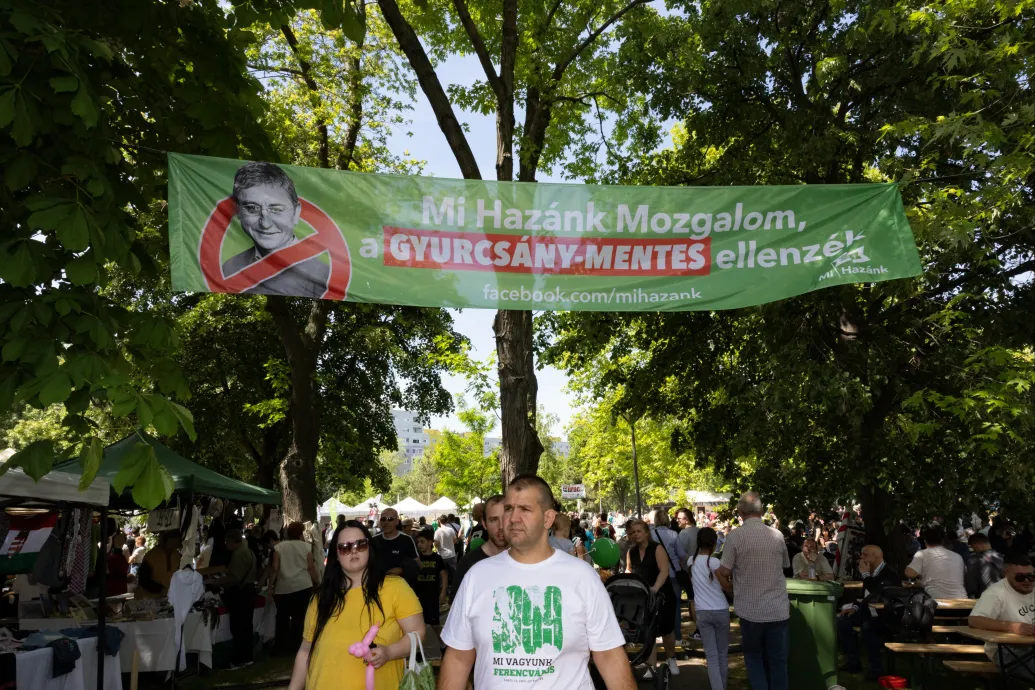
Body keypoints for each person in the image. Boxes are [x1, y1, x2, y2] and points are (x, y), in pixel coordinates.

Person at [439, 475, 636, 690]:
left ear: (548, 518)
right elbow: (458, 658)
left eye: (524, 509)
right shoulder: (476, 576)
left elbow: (609, 656)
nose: (513, 518)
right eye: (508, 509)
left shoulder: (582, 577)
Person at [287, 520, 425, 690]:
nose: (353, 550)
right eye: (345, 547)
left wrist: (390, 652)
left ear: (370, 549)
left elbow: (418, 633)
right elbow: (306, 650)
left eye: (361, 544)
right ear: (336, 555)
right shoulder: (321, 597)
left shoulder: (395, 587)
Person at [715, 492, 790, 690]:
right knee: (778, 660)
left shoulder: (735, 537)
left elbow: (723, 571)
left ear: (740, 513)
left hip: (750, 609)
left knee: (753, 657)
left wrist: (729, 587)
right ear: (762, 511)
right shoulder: (777, 535)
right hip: (777, 608)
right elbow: (784, 565)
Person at [222, 161, 330, 298]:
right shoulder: (229, 268)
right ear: (238, 211)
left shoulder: (323, 276)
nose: (265, 223)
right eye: (252, 208)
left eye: (277, 209)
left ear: (296, 212)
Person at [967, 553, 1034, 681]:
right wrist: (1012, 627)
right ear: (1006, 573)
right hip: (1007, 649)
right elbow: (974, 620)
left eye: (1031, 576)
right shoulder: (996, 593)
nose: (1027, 581)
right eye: (1020, 577)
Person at [627, 518, 679, 679]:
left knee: (667, 630)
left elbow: (664, 570)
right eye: (633, 532)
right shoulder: (632, 552)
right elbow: (629, 570)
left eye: (639, 531)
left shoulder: (657, 549)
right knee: (649, 631)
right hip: (644, 597)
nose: (636, 535)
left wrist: (655, 588)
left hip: (663, 595)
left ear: (646, 533)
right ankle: (651, 666)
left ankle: (672, 659)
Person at [837, 545, 900, 679]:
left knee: (869, 627)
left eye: (865, 555)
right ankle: (853, 662)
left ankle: (875, 669)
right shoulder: (870, 572)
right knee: (843, 621)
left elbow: (879, 594)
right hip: (868, 611)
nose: (861, 558)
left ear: (876, 557)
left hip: (885, 615)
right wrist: (855, 607)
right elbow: (866, 596)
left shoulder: (889, 573)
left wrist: (865, 575)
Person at [690, 527, 731, 690]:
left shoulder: (691, 562)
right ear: (714, 543)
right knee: (722, 654)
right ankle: (723, 685)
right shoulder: (714, 562)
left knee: (711, 656)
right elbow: (726, 586)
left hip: (702, 612)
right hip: (720, 609)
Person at [271, 522, 320, 655]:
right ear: (300, 533)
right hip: (303, 585)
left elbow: (275, 568)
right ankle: (297, 645)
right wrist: (318, 581)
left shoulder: (278, 548)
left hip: (283, 587)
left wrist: (271, 586)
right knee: (300, 617)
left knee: (282, 617)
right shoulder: (306, 547)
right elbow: (310, 568)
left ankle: (280, 646)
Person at [451, 495, 507, 599]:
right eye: (493, 520)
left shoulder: (525, 560)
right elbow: (457, 609)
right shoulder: (468, 564)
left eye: (505, 519)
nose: (501, 526)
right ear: (484, 524)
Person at [649, 508, 688, 647]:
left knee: (655, 606)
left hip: (656, 575)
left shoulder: (651, 535)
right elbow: (682, 554)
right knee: (675, 606)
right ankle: (676, 635)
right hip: (673, 573)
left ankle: (658, 634)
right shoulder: (673, 534)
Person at [220, 530, 259, 668]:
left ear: (232, 542)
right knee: (247, 625)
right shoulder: (250, 552)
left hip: (240, 593)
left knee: (238, 627)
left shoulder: (238, 554)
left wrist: (220, 581)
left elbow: (235, 578)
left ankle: (239, 659)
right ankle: (248, 657)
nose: (225, 545)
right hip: (249, 591)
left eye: (227, 542)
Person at [904, 523, 967, 599]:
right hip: (961, 600)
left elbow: (910, 573)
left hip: (936, 601)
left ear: (925, 541)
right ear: (942, 541)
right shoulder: (957, 556)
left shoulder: (922, 554)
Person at [371, 508, 420, 587]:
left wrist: (402, 571)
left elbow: (417, 565)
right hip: (379, 587)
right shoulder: (374, 540)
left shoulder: (406, 539)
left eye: (390, 519)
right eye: (383, 519)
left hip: (402, 587)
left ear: (397, 522)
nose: (386, 522)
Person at [415, 528, 448, 626]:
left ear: (430, 542)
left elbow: (444, 576)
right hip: (418, 597)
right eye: (418, 542)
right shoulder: (417, 558)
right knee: (419, 625)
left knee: (435, 625)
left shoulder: (437, 558)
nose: (419, 544)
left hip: (432, 597)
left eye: (422, 542)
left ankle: (443, 641)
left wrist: (443, 592)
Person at [136, 530, 182, 599]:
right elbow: (143, 580)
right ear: (165, 540)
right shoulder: (151, 556)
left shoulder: (177, 556)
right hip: (150, 599)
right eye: (174, 540)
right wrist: (160, 589)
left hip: (168, 599)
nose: (176, 544)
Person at [965, 533, 1005, 598]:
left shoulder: (973, 560)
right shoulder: (1002, 557)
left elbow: (971, 583)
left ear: (976, 544)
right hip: (1003, 595)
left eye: (972, 546)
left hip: (984, 597)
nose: (974, 549)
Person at [106, 532, 130, 596]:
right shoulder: (122, 555)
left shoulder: (111, 557)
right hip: (121, 581)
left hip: (113, 581)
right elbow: (127, 561)